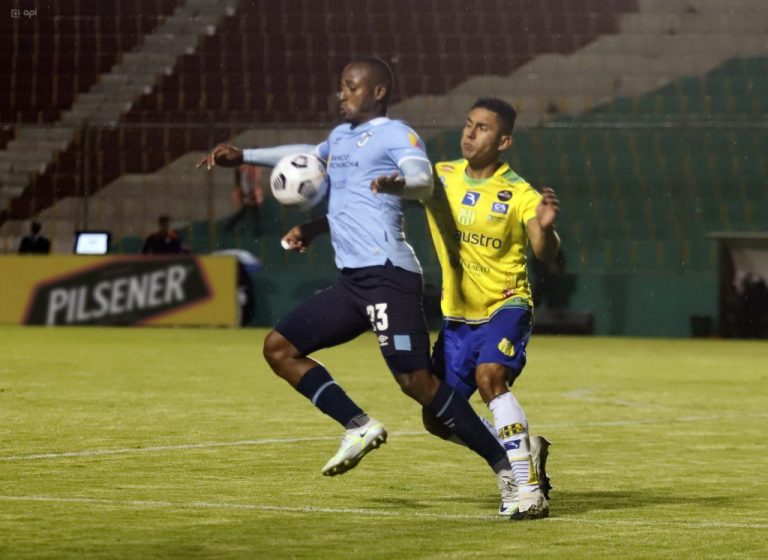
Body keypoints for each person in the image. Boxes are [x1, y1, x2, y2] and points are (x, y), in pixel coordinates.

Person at [198, 58, 522, 517]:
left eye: (350, 87)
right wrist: (246, 157)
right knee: (279, 348)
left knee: (417, 384)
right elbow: (309, 155)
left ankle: (507, 465)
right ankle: (357, 425)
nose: (341, 95)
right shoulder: (340, 138)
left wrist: (400, 184)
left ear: (377, 92)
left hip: (390, 277)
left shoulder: (396, 134)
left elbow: (424, 178)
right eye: (340, 88)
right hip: (353, 283)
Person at [375, 97, 560, 520]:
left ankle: (528, 490)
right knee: (437, 419)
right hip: (457, 319)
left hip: (505, 306)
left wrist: (546, 232)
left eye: (483, 128)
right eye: (468, 124)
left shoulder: (519, 193)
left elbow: (543, 252)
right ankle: (521, 448)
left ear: (505, 141)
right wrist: (390, 184)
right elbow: (408, 187)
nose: (470, 133)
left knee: (490, 376)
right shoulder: (441, 177)